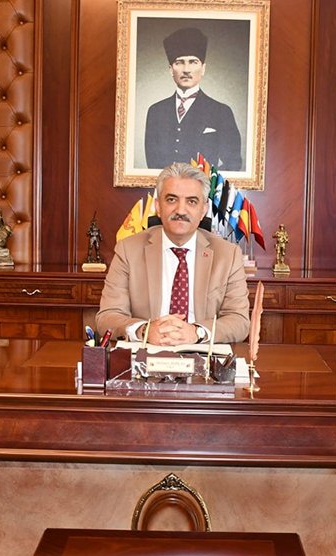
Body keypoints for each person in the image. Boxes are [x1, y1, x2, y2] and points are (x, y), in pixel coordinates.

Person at [97, 162, 250, 344]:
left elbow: (239, 321)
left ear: (203, 210)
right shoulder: (128, 250)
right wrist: (145, 330)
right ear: (158, 206)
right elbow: (108, 316)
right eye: (171, 200)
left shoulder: (228, 255)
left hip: (203, 353)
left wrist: (197, 332)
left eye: (191, 201)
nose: (180, 210)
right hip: (146, 351)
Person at [143, 27, 243, 171]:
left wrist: (207, 182)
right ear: (171, 69)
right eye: (179, 62)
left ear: (203, 68)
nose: (186, 69)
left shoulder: (221, 112)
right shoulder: (156, 111)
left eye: (193, 62)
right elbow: (153, 165)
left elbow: (233, 163)